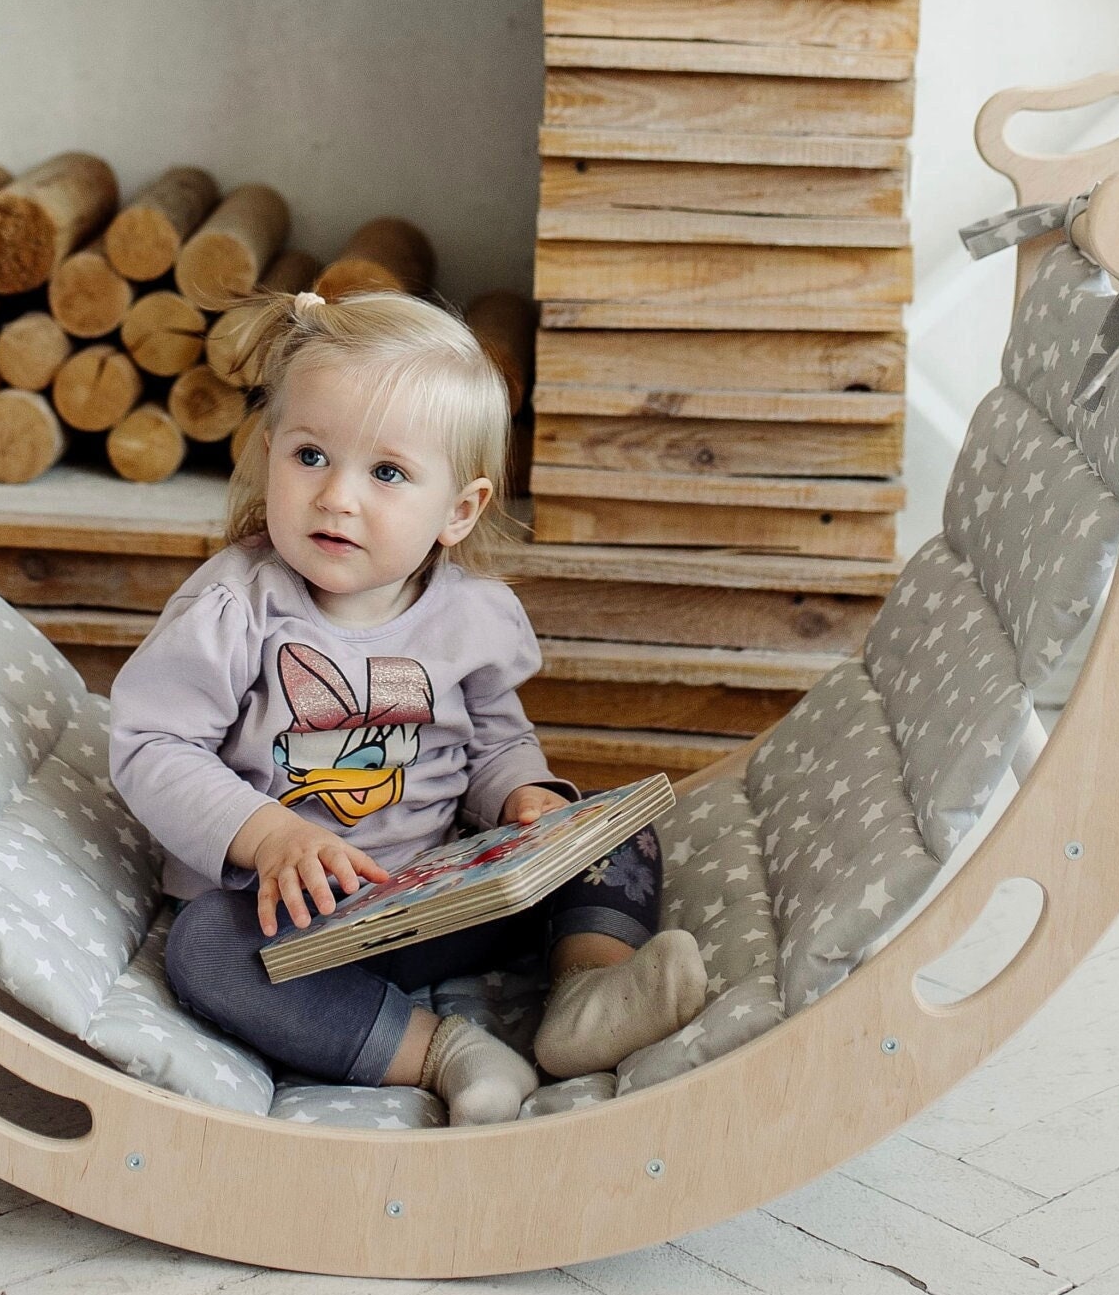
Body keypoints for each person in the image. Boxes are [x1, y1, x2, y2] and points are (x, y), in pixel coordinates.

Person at [108, 289, 706, 1123]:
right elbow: (150, 745)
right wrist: (268, 834)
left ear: (459, 510)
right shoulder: (234, 609)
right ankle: (444, 1051)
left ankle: (586, 991)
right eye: (311, 456)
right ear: (269, 450)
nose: (337, 497)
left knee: (608, 823)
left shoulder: (472, 616)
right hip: (291, 926)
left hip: (441, 899)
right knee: (204, 952)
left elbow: (498, 740)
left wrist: (522, 796)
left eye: (386, 473)